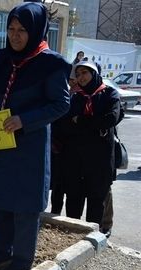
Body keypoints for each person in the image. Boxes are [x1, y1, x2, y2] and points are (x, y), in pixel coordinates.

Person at [0, 2, 71, 270]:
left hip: (29, 148)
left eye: (22, 30)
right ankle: (2, 253)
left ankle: (22, 263)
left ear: (36, 30)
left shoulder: (52, 64)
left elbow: (61, 104)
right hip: (0, 143)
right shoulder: (1, 58)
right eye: (11, 29)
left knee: (25, 206)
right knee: (1, 200)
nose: (15, 35)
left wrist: (24, 120)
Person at [56, 60, 119, 232]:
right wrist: (93, 125)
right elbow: (64, 125)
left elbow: (110, 118)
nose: (81, 77)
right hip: (75, 159)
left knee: (96, 200)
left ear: (94, 73)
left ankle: (94, 235)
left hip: (100, 160)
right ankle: (72, 233)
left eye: (85, 72)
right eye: (78, 74)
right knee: (74, 199)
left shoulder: (109, 94)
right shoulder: (75, 98)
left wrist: (81, 121)